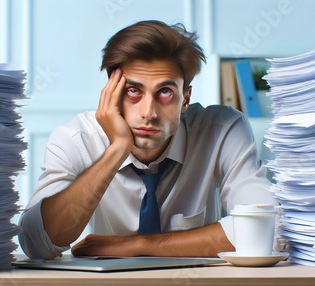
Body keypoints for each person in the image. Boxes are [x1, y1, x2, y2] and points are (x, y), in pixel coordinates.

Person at [18, 20, 276, 259]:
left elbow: (265, 228)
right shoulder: (75, 139)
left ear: (185, 99)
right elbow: (36, 243)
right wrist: (116, 150)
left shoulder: (222, 130)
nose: (148, 113)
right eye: (133, 91)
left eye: (165, 92)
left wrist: (135, 246)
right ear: (111, 93)